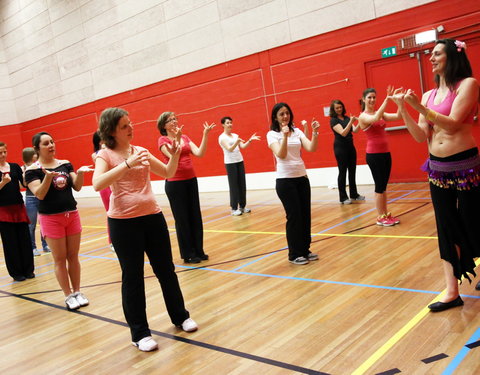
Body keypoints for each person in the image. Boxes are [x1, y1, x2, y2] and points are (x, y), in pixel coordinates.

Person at [93, 107, 197, 352]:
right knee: (133, 278)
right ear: (111, 131)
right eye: (124, 126)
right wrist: (126, 164)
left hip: (153, 218)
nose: (131, 128)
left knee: (166, 271)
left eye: (131, 123)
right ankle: (139, 333)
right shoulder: (104, 155)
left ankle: (181, 317)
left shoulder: (141, 151)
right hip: (123, 223)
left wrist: (172, 155)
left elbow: (169, 172)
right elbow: (97, 183)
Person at [389, 39, 480, 310]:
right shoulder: (428, 95)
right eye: (430, 54)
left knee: (474, 220)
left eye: (437, 53)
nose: (431, 58)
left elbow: (452, 126)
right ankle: (452, 291)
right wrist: (405, 109)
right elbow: (420, 137)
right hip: (437, 169)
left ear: (452, 56)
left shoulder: (469, 85)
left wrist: (419, 108)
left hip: (465, 166)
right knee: (445, 227)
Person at [25, 132, 93, 310]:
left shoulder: (65, 164)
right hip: (51, 219)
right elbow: (39, 193)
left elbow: (77, 186)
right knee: (60, 259)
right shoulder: (32, 170)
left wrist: (79, 173)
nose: (51, 146)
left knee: (73, 256)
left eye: (52, 142)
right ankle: (68, 295)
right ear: (37, 148)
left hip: (72, 215)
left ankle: (78, 291)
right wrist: (47, 177)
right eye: (46, 143)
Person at [157, 112, 215, 264]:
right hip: (175, 183)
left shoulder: (185, 137)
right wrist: (177, 138)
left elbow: (200, 153)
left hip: (191, 180)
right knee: (182, 219)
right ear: (164, 125)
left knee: (195, 216)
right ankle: (188, 254)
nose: (174, 121)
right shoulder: (162, 140)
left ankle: (199, 250)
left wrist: (205, 135)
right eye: (170, 120)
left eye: (175, 118)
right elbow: (173, 155)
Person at [267, 102, 320, 265]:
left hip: (302, 178)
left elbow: (311, 148)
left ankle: (305, 249)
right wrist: (283, 136)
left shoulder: (297, 132)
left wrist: (315, 133)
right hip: (285, 181)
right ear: (275, 118)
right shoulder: (272, 135)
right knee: (294, 216)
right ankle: (294, 253)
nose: (285, 117)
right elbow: (281, 154)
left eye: (287, 113)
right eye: (281, 114)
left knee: (305, 215)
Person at [357, 87, 401, 226]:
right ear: (364, 99)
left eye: (374, 97)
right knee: (379, 186)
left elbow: (398, 116)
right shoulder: (363, 116)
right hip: (374, 155)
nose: (372, 100)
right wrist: (387, 100)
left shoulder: (380, 112)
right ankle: (380, 217)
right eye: (369, 97)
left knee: (383, 187)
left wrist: (400, 102)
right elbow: (375, 118)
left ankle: (386, 214)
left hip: (385, 153)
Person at [0, 142, 34, 281]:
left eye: (4, 152)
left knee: (24, 240)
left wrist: (28, 172)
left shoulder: (14, 167)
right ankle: (16, 272)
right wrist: (3, 183)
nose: (2, 155)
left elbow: (25, 184)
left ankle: (28, 270)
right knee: (10, 243)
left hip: (19, 208)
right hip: (3, 210)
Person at [218, 116, 260, 216]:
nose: (230, 124)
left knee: (242, 184)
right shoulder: (222, 137)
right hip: (230, 163)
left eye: (231, 122)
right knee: (234, 186)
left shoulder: (236, 135)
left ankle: (242, 206)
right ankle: (233, 208)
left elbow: (243, 146)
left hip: (239, 161)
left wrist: (250, 140)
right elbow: (229, 149)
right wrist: (236, 142)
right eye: (227, 123)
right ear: (223, 125)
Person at [329, 100, 365, 205]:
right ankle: (343, 197)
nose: (339, 109)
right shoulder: (333, 120)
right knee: (343, 172)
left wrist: (360, 120)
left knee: (352, 170)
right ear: (334, 109)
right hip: (340, 148)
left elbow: (355, 130)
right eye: (337, 108)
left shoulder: (346, 118)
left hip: (350, 147)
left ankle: (354, 194)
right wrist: (351, 121)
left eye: (340, 107)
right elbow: (343, 133)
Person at [21, 147, 51, 256]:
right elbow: (22, 185)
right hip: (30, 198)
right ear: (30, 155)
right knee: (31, 225)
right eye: (34, 154)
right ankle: (33, 247)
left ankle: (45, 244)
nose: (36, 155)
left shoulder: (39, 166)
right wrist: (25, 174)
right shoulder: (23, 168)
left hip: (41, 197)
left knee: (43, 222)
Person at [91, 131, 114, 251]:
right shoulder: (96, 154)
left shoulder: (111, 151)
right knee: (110, 212)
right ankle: (112, 241)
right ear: (99, 142)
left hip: (114, 183)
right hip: (105, 186)